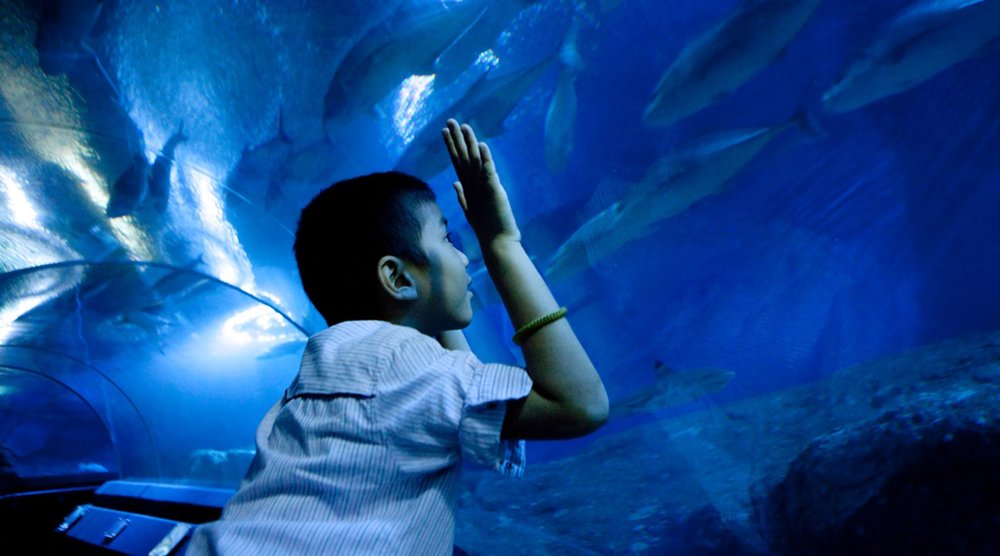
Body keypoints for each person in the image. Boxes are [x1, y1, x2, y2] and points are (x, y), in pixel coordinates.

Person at [186, 119, 608, 555]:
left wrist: (435, 304)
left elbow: (453, 390)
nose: (464, 256)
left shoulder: (320, 376)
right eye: (447, 239)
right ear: (396, 276)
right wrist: (502, 243)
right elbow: (579, 405)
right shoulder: (403, 368)